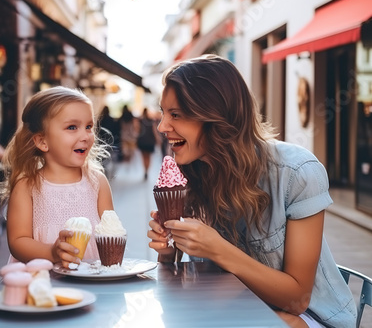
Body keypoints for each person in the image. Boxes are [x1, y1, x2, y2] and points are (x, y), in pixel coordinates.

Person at [147, 55, 356, 328]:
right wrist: (167, 247)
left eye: (176, 115)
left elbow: (298, 300)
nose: (162, 126)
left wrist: (218, 250)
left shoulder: (297, 173)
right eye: (163, 113)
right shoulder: (188, 174)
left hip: (307, 318)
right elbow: (177, 284)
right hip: (234, 312)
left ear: (217, 117)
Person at [0, 86, 114, 267]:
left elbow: (110, 230)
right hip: (45, 282)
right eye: (72, 127)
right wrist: (52, 252)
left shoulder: (98, 182)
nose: (85, 135)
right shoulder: (27, 186)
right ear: (42, 141)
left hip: (93, 280)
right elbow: (18, 241)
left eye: (89, 126)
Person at [136, 108, 158, 180]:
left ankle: (145, 170)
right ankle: (147, 171)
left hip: (142, 141)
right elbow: (155, 132)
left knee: (144, 157)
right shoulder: (151, 121)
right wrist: (157, 140)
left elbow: (138, 130)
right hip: (150, 141)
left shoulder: (140, 121)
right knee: (148, 157)